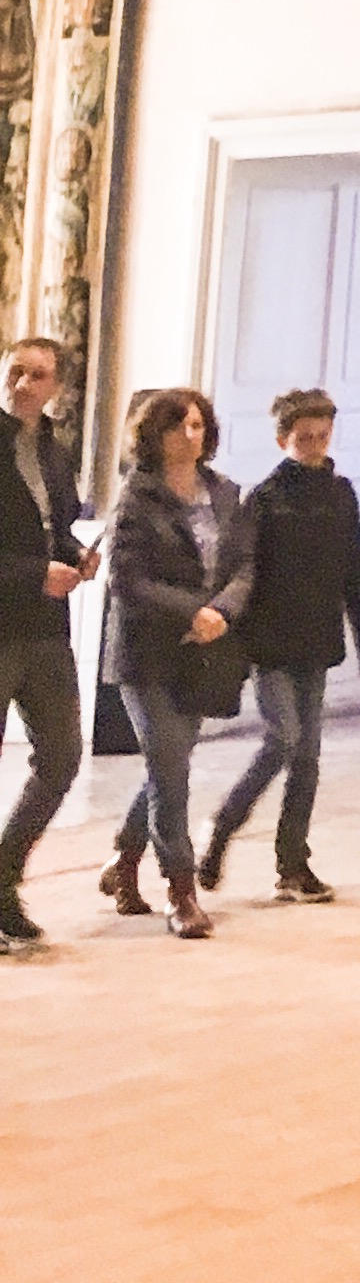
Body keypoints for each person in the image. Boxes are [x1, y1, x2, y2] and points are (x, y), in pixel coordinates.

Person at [203, 386, 360, 906]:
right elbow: (243, 572)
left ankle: (292, 864)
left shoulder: (342, 493)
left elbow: (355, 567)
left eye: (323, 436)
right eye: (304, 438)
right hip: (271, 641)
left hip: (316, 639)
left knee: (308, 757)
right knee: (283, 739)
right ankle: (221, 830)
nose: (315, 446)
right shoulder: (266, 498)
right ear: (283, 439)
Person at [100, 387, 253, 941]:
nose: (189, 436)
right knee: (171, 765)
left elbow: (244, 567)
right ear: (154, 435)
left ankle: (123, 860)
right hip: (147, 654)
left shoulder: (226, 493)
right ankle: (181, 891)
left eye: (196, 425)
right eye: (176, 426)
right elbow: (127, 581)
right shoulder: (137, 497)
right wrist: (197, 609)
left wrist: (222, 611)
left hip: (204, 652)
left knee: (170, 763)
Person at [0, 331, 95, 947]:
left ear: (55, 386)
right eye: (14, 371)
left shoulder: (56, 450)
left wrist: (76, 556)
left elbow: (54, 528)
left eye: (37, 375)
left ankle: (3, 877)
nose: (22, 384)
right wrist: (39, 572)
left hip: (45, 631)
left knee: (61, 755)